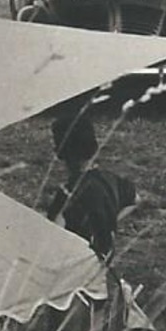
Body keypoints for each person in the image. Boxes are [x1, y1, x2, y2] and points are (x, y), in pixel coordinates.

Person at [46, 109, 137, 264]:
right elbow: (135, 199)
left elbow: (55, 232)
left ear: (60, 152)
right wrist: (110, 221)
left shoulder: (68, 192)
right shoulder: (110, 179)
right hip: (104, 258)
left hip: (77, 262)